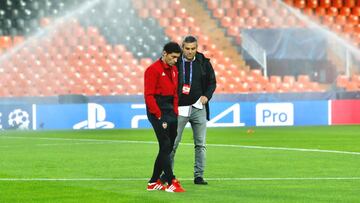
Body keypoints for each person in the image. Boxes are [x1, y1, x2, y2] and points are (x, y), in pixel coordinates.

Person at [171, 35, 217, 185]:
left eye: (193, 49)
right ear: (182, 47)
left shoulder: (204, 62)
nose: (190, 52)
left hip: (198, 107)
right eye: (187, 49)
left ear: (197, 48)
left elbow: (212, 82)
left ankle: (199, 176)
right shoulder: (175, 62)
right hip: (179, 108)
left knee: (200, 144)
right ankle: (168, 174)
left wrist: (207, 96)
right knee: (172, 144)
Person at [144, 42, 185, 193]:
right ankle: (171, 180)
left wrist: (175, 112)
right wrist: (159, 115)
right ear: (164, 54)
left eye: (177, 58)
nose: (175, 60)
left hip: (170, 111)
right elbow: (148, 96)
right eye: (173, 57)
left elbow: (175, 94)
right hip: (157, 110)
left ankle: (153, 182)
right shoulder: (152, 70)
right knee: (166, 144)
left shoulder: (174, 70)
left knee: (166, 147)